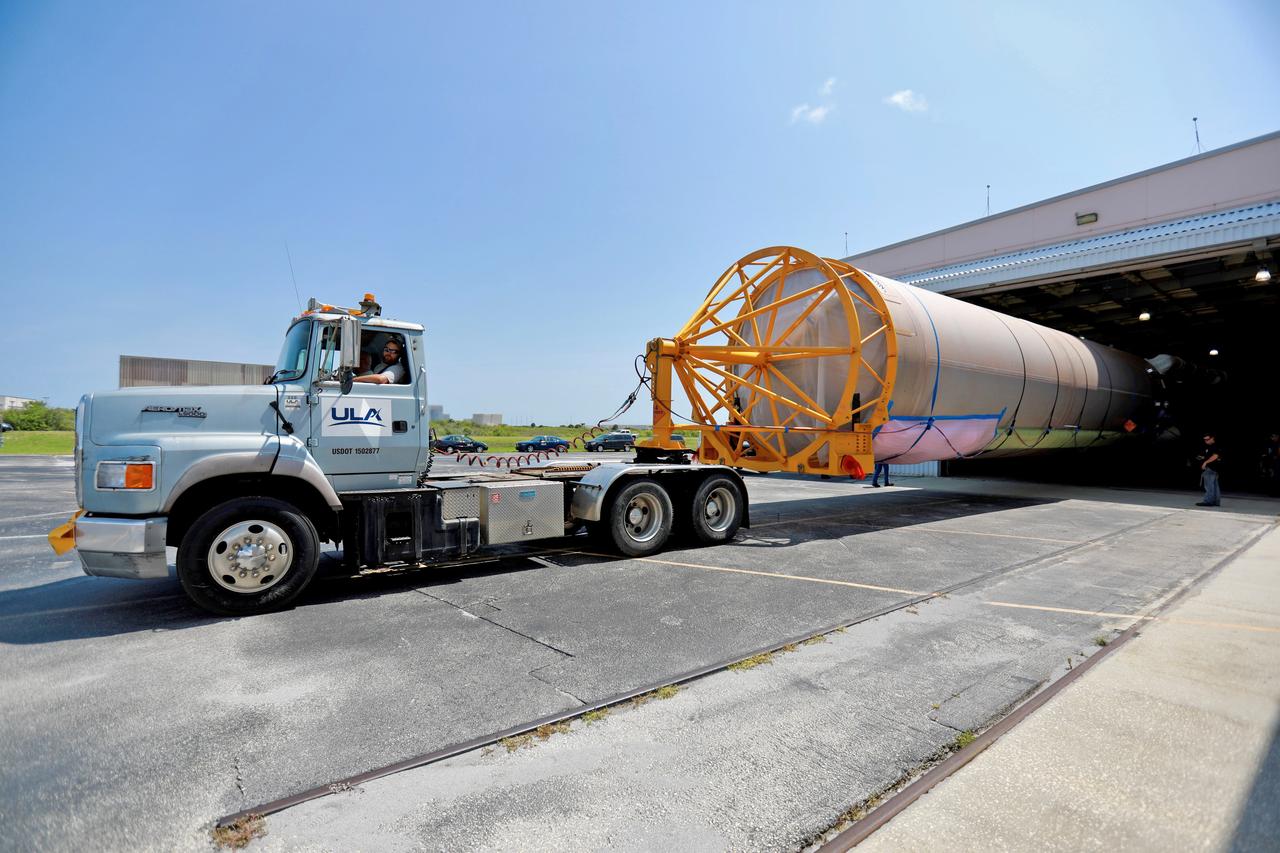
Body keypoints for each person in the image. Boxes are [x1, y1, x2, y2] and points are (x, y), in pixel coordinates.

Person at [1195, 432, 1221, 507]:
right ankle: (1216, 501)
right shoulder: (1209, 447)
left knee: (1209, 485)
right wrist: (1201, 458)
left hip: (1210, 468)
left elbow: (1215, 456)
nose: (1206, 441)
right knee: (1215, 486)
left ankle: (1208, 501)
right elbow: (1208, 456)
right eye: (1205, 440)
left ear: (1212, 438)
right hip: (1214, 469)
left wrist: (1205, 462)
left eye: (1207, 439)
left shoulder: (1214, 446)